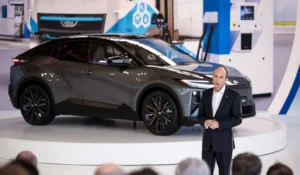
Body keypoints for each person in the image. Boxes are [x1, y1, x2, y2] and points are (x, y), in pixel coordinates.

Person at [197, 66, 243, 175]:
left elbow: (238, 118)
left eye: (221, 77)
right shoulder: (206, 94)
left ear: (226, 79)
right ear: (212, 77)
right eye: (216, 76)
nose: (217, 80)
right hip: (208, 144)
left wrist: (219, 124)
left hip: (224, 143)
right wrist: (205, 122)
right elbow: (200, 116)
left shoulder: (234, 96)